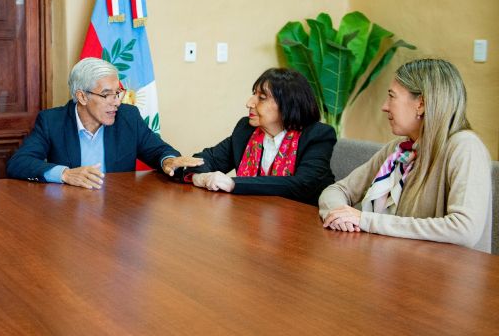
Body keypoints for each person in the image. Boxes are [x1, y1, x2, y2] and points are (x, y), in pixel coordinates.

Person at [319, 59, 492, 252]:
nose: (385, 106)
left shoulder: (465, 147)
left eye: (392, 97)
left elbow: (464, 230)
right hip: (396, 264)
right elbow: (337, 190)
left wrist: (368, 221)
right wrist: (339, 215)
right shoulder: (399, 149)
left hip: (446, 276)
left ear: (421, 104)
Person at [6, 57, 203, 189]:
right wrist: (65, 174)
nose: (116, 101)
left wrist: (167, 160)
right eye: (107, 95)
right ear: (82, 96)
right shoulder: (52, 121)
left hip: (118, 211)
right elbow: (19, 163)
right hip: (69, 214)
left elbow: (158, 151)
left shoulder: (128, 117)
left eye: (117, 93)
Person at [181, 68, 336, 204]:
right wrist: (200, 177)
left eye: (261, 98)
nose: (249, 103)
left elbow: (302, 185)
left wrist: (234, 184)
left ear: (288, 104)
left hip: (304, 225)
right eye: (254, 95)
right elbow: (206, 159)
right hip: (252, 216)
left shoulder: (317, 135)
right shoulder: (246, 129)